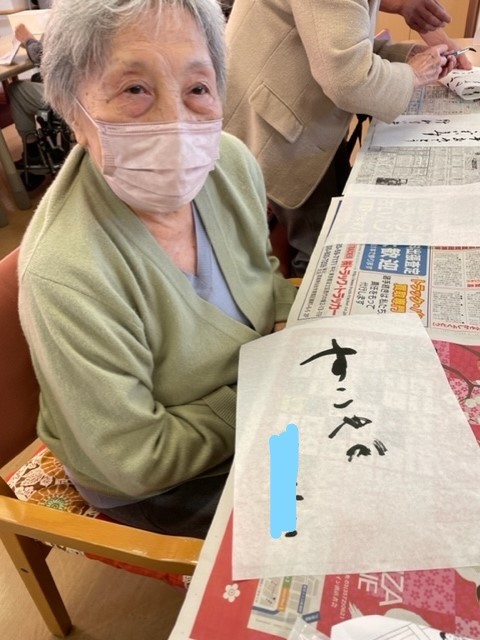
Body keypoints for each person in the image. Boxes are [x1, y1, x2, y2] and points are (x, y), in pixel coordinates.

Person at [18, 0, 297, 539]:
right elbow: (136, 459)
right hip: (165, 480)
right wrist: (264, 392)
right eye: (135, 89)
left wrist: (286, 329)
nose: (177, 122)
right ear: (74, 113)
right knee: (310, 521)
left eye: (198, 89)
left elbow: (263, 273)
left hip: (262, 409)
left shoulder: (229, 163)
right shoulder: (68, 271)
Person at [224, 0, 470, 276]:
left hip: (287, 107)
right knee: (321, 247)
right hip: (278, 124)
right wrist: (412, 74)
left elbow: (344, 45)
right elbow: (349, 82)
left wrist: (406, 55)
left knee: (334, 213)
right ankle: (305, 294)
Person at [8, 23, 47, 188]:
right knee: (37, 79)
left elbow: (45, 58)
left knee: (17, 90)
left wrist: (29, 41)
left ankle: (33, 153)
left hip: (75, 95)